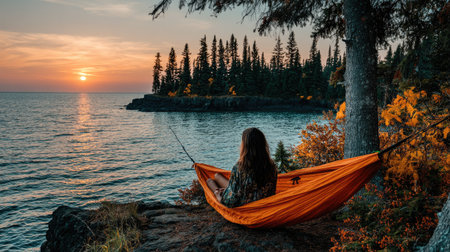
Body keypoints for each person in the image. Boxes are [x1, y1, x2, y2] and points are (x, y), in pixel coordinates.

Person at [207, 128, 278, 208]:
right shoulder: (272, 166)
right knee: (217, 176)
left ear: (245, 146)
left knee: (209, 181)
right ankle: (226, 189)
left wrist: (218, 196)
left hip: (244, 206)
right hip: (265, 204)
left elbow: (230, 202)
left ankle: (217, 191)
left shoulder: (240, 168)